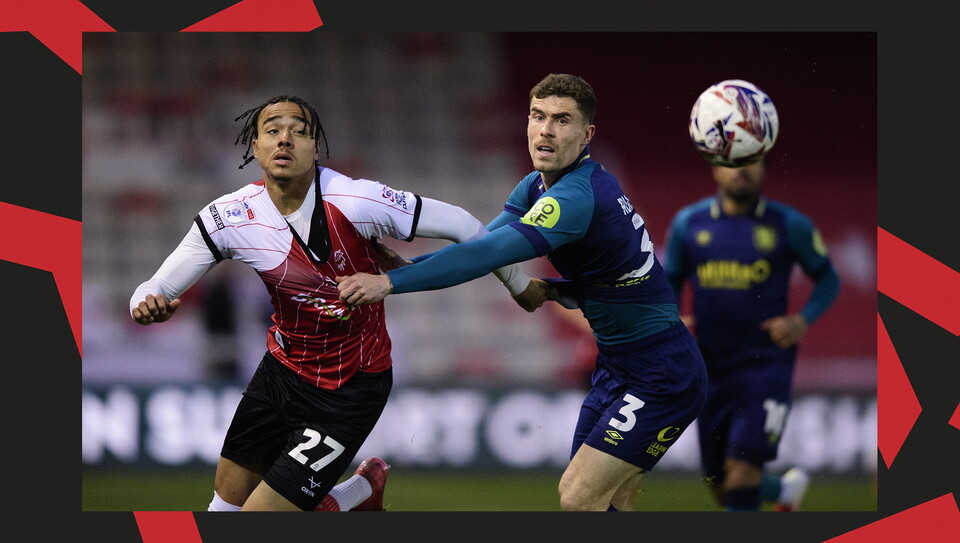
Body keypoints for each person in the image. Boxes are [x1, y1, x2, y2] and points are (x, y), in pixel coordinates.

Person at [129, 95, 539, 512]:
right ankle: (361, 495)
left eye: (298, 132)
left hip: (349, 386)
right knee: (223, 507)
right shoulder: (229, 217)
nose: (284, 140)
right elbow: (156, 285)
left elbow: (462, 224)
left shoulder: (357, 202)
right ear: (255, 146)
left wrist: (520, 286)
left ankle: (349, 496)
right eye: (272, 131)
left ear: (316, 148)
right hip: (280, 373)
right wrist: (146, 303)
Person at [337, 73, 709, 512]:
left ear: (587, 134)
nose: (546, 130)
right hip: (617, 367)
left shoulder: (576, 197)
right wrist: (408, 267)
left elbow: (487, 254)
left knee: (577, 497)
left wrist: (390, 284)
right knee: (611, 503)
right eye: (538, 116)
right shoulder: (534, 186)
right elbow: (481, 247)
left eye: (562, 120)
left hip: (662, 372)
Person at [661, 158, 841, 511]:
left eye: (751, 162)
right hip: (709, 367)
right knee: (719, 484)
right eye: (732, 162)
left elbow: (828, 278)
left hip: (765, 366)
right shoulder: (688, 223)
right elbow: (670, 278)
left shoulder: (789, 224)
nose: (741, 170)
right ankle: (782, 492)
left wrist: (801, 321)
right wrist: (672, 317)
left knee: (742, 473)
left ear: (764, 169)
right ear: (715, 168)